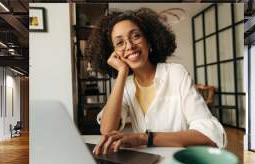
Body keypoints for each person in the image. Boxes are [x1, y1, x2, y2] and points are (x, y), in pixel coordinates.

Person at [85, 8, 226, 155]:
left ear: (149, 42)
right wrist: (122, 73)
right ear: (114, 53)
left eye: (136, 36)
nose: (129, 46)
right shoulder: (125, 86)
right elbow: (107, 130)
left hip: (179, 163)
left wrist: (145, 138)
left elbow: (209, 134)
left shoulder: (175, 73)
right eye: (120, 43)